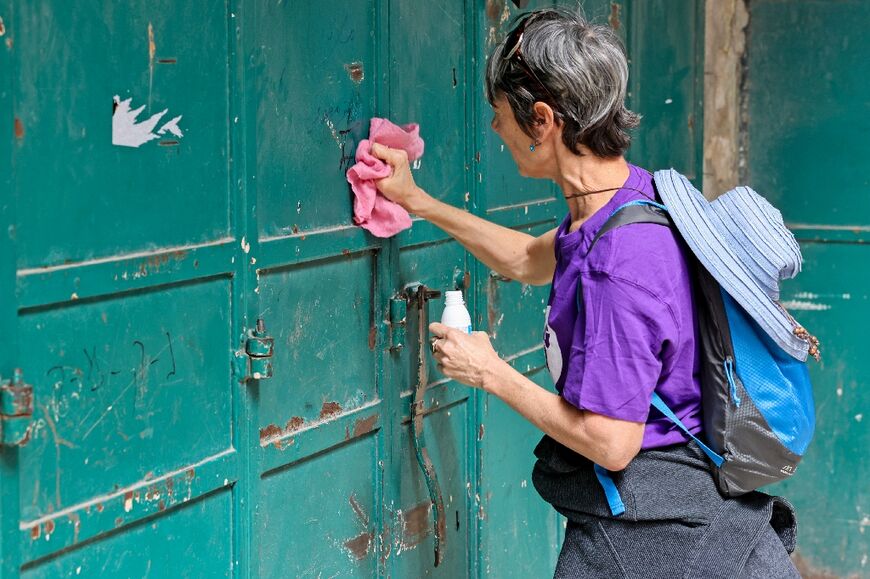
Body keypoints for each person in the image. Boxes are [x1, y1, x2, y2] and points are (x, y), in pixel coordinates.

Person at [370, 7, 799, 578]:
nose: (496, 130)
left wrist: (489, 371)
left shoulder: (617, 268)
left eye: (500, 115)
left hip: (662, 539)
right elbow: (528, 259)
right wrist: (417, 201)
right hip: (687, 516)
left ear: (542, 120)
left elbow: (611, 442)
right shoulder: (627, 199)